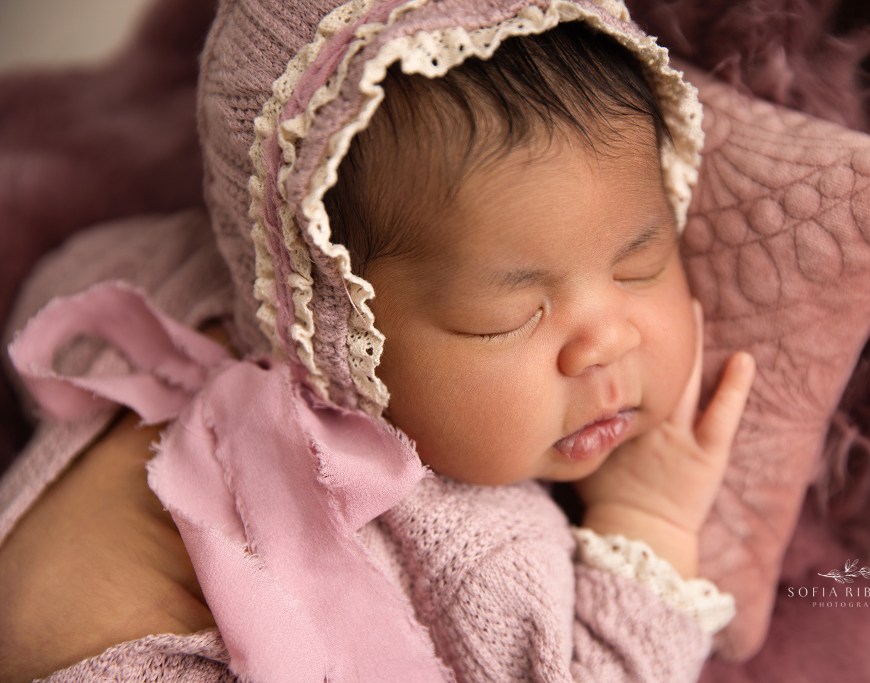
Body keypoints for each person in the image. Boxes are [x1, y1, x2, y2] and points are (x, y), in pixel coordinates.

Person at [0, 1, 755, 680]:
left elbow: (60, 291)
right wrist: (649, 522)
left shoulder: (162, 278)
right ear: (337, 324)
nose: (604, 343)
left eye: (641, 263)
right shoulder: (476, 548)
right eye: (506, 316)